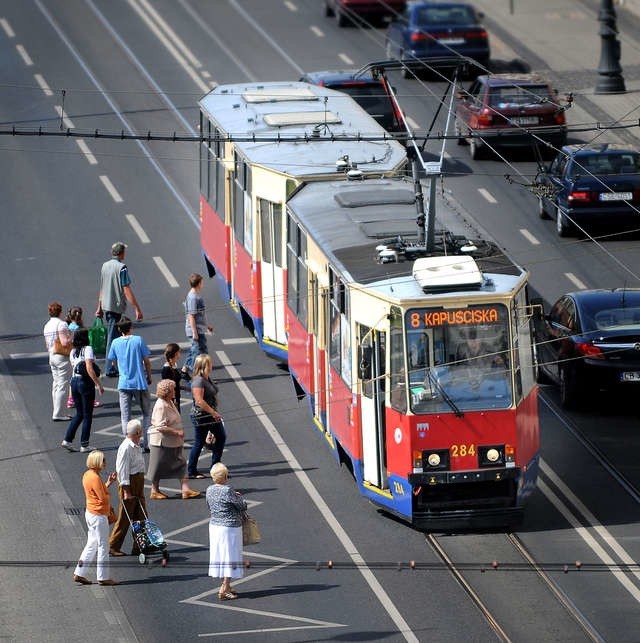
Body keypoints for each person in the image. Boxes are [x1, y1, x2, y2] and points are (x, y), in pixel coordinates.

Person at [147, 379, 201, 500]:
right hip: (161, 442)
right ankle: (154, 491)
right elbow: (160, 427)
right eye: (172, 390)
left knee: (181, 464)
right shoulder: (161, 405)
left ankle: (185, 490)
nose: (175, 391)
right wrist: (177, 432)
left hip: (172, 442)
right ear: (167, 392)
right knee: (157, 467)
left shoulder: (169, 402)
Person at [96, 241, 143, 377]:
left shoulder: (105, 266)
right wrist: (137, 308)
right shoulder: (122, 268)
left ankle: (115, 366)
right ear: (121, 253)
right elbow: (126, 289)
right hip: (115, 307)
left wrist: (99, 307)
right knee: (112, 339)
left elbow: (102, 288)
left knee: (115, 338)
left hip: (106, 306)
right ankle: (110, 368)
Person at [73, 450, 119, 586]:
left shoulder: (88, 475)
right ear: (97, 462)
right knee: (103, 546)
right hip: (98, 515)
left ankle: (79, 573)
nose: (105, 462)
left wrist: (108, 483)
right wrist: (109, 500)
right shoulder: (95, 478)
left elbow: (96, 492)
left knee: (91, 544)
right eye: (103, 460)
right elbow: (102, 497)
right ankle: (103, 577)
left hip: (91, 513)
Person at [108, 317, 152, 447]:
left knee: (125, 415)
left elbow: (113, 361)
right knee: (146, 413)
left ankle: (128, 442)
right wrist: (149, 376)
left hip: (124, 383)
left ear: (119, 329)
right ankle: (147, 442)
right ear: (131, 327)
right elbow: (147, 361)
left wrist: (119, 370)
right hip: (139, 382)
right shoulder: (138, 340)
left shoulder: (115, 343)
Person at [206, 462, 246, 600]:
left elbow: (210, 506)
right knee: (230, 557)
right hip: (229, 528)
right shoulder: (228, 490)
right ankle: (224, 588)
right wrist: (239, 496)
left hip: (215, 527)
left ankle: (227, 586)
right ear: (225, 476)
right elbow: (242, 506)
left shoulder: (209, 489)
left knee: (220, 556)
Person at [109, 419, 148, 557]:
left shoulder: (136, 445)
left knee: (141, 517)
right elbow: (122, 471)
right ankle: (113, 546)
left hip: (138, 481)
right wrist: (126, 492)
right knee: (125, 518)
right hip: (130, 484)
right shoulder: (125, 448)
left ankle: (139, 547)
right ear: (138, 432)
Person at [61, 329, 104, 453]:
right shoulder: (88, 349)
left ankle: (67, 440)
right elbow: (89, 368)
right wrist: (98, 384)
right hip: (85, 383)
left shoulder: (73, 351)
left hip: (74, 382)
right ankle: (84, 444)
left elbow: (74, 367)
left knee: (79, 413)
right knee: (87, 415)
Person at [188, 354, 225, 479]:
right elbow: (199, 401)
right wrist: (213, 412)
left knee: (221, 437)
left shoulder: (206, 378)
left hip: (210, 415)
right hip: (202, 416)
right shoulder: (198, 381)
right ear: (204, 366)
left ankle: (215, 467)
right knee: (199, 443)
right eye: (209, 363)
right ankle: (192, 470)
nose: (212, 365)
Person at [43, 301, 72, 422]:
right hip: (61, 356)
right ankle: (59, 413)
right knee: (63, 385)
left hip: (51, 356)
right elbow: (64, 342)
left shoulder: (47, 325)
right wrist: (72, 337)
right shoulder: (62, 324)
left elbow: (46, 344)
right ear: (60, 312)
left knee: (56, 384)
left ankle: (57, 410)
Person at [181, 273, 213, 381]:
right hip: (195, 330)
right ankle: (200, 375)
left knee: (195, 350)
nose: (202, 284)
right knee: (201, 353)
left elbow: (200, 315)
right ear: (199, 283)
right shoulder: (193, 297)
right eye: (202, 282)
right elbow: (192, 316)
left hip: (199, 328)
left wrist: (207, 326)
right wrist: (195, 332)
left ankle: (184, 371)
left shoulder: (194, 295)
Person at [65, 306, 85, 409]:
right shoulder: (78, 328)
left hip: (71, 353)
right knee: (83, 376)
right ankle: (82, 397)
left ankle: (71, 398)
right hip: (78, 352)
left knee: (74, 375)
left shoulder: (69, 326)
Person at [161, 343, 183, 410]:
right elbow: (167, 387)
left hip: (176, 398)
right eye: (179, 352)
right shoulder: (167, 369)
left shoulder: (173, 365)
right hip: (172, 400)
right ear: (176, 354)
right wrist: (173, 401)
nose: (180, 354)